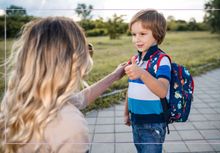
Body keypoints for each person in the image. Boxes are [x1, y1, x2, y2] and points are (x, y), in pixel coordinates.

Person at [0, 17, 127, 153]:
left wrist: (115, 75)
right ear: (74, 60)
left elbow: (78, 100)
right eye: (86, 49)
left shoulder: (13, 99)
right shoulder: (70, 124)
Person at [124, 9, 171, 153]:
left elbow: (162, 90)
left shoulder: (161, 60)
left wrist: (142, 73)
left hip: (153, 123)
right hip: (136, 120)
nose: (137, 39)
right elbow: (131, 87)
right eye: (134, 34)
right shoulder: (136, 59)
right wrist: (127, 111)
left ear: (157, 35)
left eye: (142, 34)